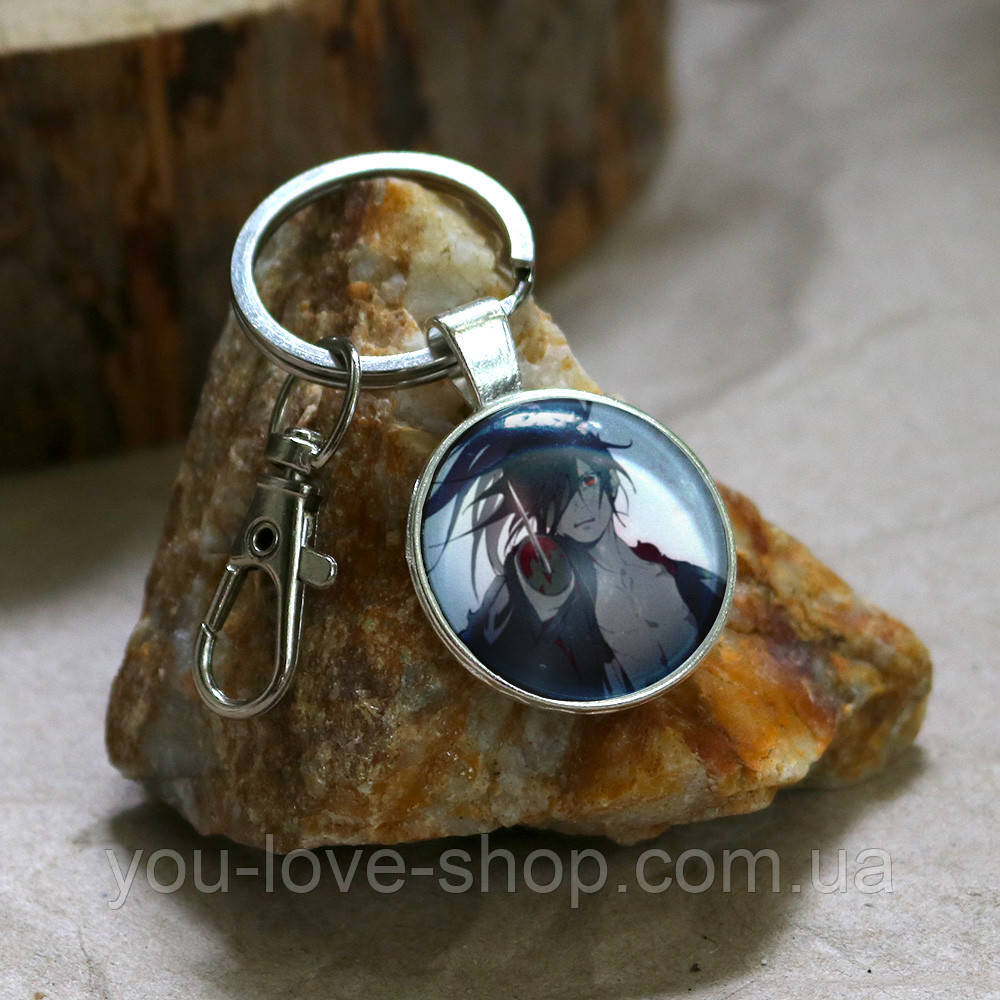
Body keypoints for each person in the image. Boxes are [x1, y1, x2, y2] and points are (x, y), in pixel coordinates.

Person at [424, 400, 725, 700]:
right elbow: (487, 646)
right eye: (561, 494)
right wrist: (540, 614)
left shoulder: (680, 575)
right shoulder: (541, 579)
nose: (579, 504)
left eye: (587, 481)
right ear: (542, 508)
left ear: (611, 480)